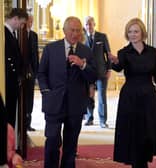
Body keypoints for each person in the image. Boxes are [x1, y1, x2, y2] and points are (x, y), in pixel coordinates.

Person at [37, 16, 97, 168]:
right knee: (51, 141)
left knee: (71, 145)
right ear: (64, 30)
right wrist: (45, 91)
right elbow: (41, 73)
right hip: (53, 103)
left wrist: (82, 65)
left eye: (78, 30)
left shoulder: (86, 51)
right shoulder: (51, 49)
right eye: (72, 30)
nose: (75, 34)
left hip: (76, 105)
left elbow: (94, 75)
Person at [109, 18, 156, 168]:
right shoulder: (124, 52)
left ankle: (142, 161)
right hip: (130, 97)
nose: (133, 34)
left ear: (142, 32)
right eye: (130, 32)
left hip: (149, 97)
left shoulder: (153, 52)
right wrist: (114, 62)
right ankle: (138, 164)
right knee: (134, 133)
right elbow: (118, 66)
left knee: (149, 132)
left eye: (136, 31)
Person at [83, 16, 112, 128]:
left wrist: (109, 69)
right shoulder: (83, 38)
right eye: (86, 24)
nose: (88, 26)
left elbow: (108, 54)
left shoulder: (102, 36)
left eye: (90, 24)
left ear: (94, 24)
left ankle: (103, 120)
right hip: (88, 72)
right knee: (89, 96)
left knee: (102, 96)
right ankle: (89, 118)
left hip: (101, 72)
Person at [5, 8, 28, 128]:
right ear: (15, 19)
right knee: (8, 115)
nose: (22, 26)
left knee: (11, 115)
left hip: (13, 82)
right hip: (8, 82)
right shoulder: (3, 33)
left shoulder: (11, 34)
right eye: (22, 23)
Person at [25, 15, 39, 131]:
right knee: (23, 98)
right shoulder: (20, 34)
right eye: (29, 21)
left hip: (32, 71)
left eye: (32, 21)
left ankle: (28, 123)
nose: (30, 23)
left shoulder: (34, 35)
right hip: (23, 71)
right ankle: (22, 123)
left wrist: (37, 73)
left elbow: (35, 55)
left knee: (30, 98)